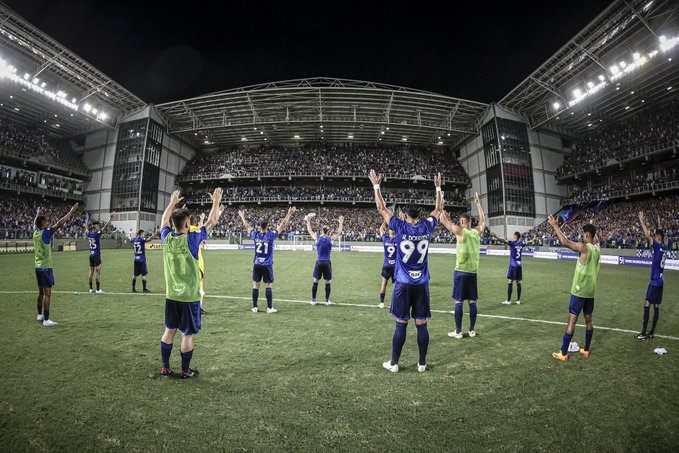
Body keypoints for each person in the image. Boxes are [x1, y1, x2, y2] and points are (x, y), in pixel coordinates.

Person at [370, 169, 442, 373]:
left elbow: (380, 207)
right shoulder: (426, 227)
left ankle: (393, 363)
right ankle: (421, 363)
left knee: (401, 323)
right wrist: (438, 187)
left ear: (404, 215)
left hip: (402, 283)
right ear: (418, 216)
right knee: (421, 323)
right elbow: (438, 209)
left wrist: (376, 185)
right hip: (421, 284)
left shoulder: (400, 227)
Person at [159, 188, 222, 379]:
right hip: (189, 297)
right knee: (187, 334)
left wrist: (172, 202)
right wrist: (216, 201)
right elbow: (212, 221)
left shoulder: (167, 238)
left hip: (172, 295)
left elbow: (163, 221)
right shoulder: (193, 239)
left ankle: (165, 368)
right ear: (187, 224)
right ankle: (185, 371)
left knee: (169, 330)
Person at [548, 215, 600, 361]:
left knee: (572, 321)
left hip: (579, 291)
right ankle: (586, 350)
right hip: (590, 292)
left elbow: (564, 241)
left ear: (587, 235)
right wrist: (591, 224)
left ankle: (563, 353)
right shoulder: (597, 248)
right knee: (589, 321)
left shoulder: (584, 248)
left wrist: (555, 226)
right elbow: (595, 239)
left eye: (584, 234)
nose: (582, 237)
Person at [439, 193, 485, 339]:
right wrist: (478, 203)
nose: (459, 223)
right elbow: (483, 220)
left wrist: (442, 209)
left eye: (460, 221)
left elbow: (443, 221)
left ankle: (458, 331)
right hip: (473, 272)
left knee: (458, 301)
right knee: (472, 301)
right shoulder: (477, 232)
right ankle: (471, 330)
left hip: (460, 272)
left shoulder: (460, 232)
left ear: (464, 221)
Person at [238, 206, 296, 313]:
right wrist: (289, 214)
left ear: (260, 226)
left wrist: (242, 216)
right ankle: (269, 308)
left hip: (257, 264)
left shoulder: (255, 235)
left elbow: (247, 226)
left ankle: (254, 307)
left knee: (255, 285)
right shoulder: (270, 235)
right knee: (268, 285)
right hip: (267, 264)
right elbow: (283, 225)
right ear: (267, 227)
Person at [33, 203, 79, 327]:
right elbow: (59, 224)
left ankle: (39, 314)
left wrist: (38, 213)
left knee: (41, 292)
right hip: (46, 267)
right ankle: (46, 320)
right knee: (47, 293)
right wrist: (71, 212)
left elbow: (34, 224)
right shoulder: (45, 233)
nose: (48, 223)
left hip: (37, 267)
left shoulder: (35, 232)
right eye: (46, 222)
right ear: (43, 224)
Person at [636, 212, 668, 340]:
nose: (654, 238)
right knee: (657, 306)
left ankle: (644, 333)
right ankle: (652, 332)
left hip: (654, 281)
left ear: (658, 238)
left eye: (656, 236)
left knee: (647, 304)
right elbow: (661, 235)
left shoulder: (657, 244)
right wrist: (659, 223)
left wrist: (642, 222)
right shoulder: (665, 246)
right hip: (661, 280)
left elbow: (647, 236)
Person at [491, 231, 539, 305]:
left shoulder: (512, 243)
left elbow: (503, 240)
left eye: (513, 236)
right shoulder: (521, 243)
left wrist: (496, 236)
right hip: (519, 265)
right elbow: (528, 242)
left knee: (510, 281)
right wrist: (533, 239)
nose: (512, 237)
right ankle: (518, 300)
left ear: (515, 237)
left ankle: (509, 300)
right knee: (518, 282)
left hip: (513, 265)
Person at [306, 212, 344, 305]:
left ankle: (313, 300)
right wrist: (340, 223)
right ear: (328, 230)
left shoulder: (317, 238)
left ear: (322, 230)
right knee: (328, 282)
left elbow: (310, 231)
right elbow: (339, 232)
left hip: (319, 261)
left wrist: (308, 221)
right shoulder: (330, 239)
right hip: (327, 262)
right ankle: (327, 300)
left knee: (316, 281)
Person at [84, 211, 115, 294]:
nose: (98, 226)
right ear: (95, 226)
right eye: (97, 225)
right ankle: (98, 290)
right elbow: (105, 227)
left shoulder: (89, 234)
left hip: (91, 255)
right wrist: (111, 218)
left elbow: (86, 228)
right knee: (98, 272)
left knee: (91, 271)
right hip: (97, 256)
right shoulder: (97, 234)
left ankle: (90, 289)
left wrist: (87, 219)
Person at [130, 228, 160, 293]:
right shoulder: (141, 239)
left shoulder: (134, 239)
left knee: (135, 275)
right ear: (141, 233)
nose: (144, 235)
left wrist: (130, 232)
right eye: (143, 233)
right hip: (142, 260)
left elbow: (130, 238)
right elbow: (149, 239)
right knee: (143, 275)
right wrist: (155, 233)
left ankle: (133, 288)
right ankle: (144, 289)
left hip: (136, 259)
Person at [378, 220, 398, 309]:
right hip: (396, 266)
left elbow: (381, 229)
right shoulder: (398, 240)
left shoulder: (385, 239)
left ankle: (382, 303)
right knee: (396, 286)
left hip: (386, 265)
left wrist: (385, 221)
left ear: (389, 232)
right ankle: (395, 303)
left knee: (383, 284)